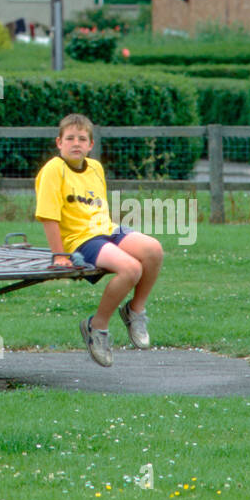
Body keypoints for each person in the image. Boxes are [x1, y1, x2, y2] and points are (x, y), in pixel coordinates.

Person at [34, 113, 164, 367]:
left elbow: (97, 210)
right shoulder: (53, 170)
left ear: (91, 145)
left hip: (105, 229)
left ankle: (135, 310)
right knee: (130, 269)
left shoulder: (96, 167)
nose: (76, 143)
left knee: (154, 250)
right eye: (70, 138)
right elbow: (48, 217)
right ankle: (97, 326)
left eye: (82, 139)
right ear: (58, 142)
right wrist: (60, 255)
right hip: (79, 238)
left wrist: (112, 234)